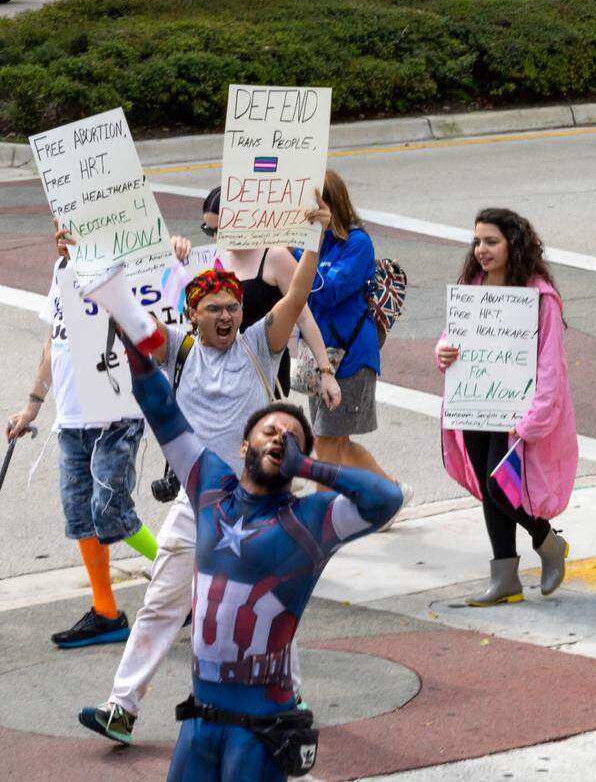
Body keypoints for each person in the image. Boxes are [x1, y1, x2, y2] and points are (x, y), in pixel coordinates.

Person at [78, 194, 332, 746]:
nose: (225, 316)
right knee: (160, 606)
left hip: (260, 508)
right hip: (195, 508)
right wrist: (89, 265)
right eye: (213, 308)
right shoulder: (176, 349)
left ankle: (289, 698)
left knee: (271, 608)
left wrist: (314, 237)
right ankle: (120, 707)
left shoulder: (260, 345)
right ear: (192, 313)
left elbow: (296, 295)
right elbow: (132, 322)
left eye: (232, 307)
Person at [119, 326, 402, 781]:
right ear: (243, 445)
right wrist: (133, 342)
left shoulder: (311, 520)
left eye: (292, 438)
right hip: (198, 723)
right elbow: (160, 408)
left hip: (261, 734)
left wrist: (309, 466)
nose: (280, 439)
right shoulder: (210, 486)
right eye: (270, 430)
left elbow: (386, 500)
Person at [5, 226, 158, 649]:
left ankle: (186, 579)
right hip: (72, 416)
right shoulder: (61, 270)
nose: (59, 235)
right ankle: (106, 610)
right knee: (81, 515)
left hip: (116, 411)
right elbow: (55, 339)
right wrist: (33, 405)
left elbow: (155, 313)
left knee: (110, 509)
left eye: (68, 228)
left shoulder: (123, 267)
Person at [436, 208, 576, 606]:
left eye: (491, 241)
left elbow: (551, 364)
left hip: (517, 415)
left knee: (503, 487)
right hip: (475, 403)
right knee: (487, 486)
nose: (481, 249)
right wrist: (443, 350)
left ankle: (547, 541)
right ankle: (504, 577)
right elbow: (451, 335)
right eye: (477, 241)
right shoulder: (472, 284)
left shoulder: (540, 295)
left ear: (513, 242)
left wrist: (533, 420)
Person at [297, 171, 410, 516]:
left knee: (329, 440)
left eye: (316, 203)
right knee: (331, 440)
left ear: (332, 203)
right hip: (319, 355)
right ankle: (391, 494)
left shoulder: (358, 244)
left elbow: (327, 291)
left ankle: (321, 519)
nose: (309, 211)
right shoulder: (307, 240)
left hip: (350, 356)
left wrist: (314, 241)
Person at [174, 187, 341, 407]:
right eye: (209, 230)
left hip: (263, 370)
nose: (216, 237)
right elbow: (183, 308)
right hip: (223, 374)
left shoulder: (274, 256)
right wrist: (174, 251)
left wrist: (326, 371)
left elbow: (304, 317)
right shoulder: (211, 258)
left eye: (221, 230)